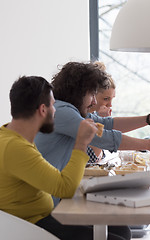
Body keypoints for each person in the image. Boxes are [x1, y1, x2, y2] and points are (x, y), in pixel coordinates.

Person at [0, 76, 130, 240]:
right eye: (53, 105)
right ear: (42, 110)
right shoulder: (16, 148)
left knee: (121, 229)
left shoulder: (10, 137)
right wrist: (81, 142)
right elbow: (65, 188)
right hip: (32, 227)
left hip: (43, 217)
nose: (55, 111)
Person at [34, 62, 150, 206]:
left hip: (54, 195)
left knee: (120, 227)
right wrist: (148, 144)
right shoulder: (62, 112)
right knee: (118, 225)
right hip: (46, 203)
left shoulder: (69, 110)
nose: (94, 101)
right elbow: (102, 137)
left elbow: (107, 123)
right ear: (78, 92)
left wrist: (149, 119)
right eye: (91, 95)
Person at [87, 61, 117, 163]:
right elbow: (93, 158)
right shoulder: (83, 118)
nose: (110, 105)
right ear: (92, 95)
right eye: (105, 99)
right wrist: (102, 122)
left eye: (112, 99)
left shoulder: (94, 114)